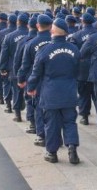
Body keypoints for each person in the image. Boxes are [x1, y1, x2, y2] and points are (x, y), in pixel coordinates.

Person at [27, 18, 81, 164]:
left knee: (52, 124)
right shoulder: (74, 49)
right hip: (69, 91)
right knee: (70, 122)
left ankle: (52, 152)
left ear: (53, 30)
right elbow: (78, 70)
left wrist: (31, 87)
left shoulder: (44, 50)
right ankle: (72, 149)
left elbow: (36, 72)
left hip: (50, 93)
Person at [18, 14, 53, 140]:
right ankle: (55, 137)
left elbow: (25, 65)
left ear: (38, 26)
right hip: (53, 80)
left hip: (36, 80)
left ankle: (41, 135)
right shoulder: (55, 41)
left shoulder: (30, 43)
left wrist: (21, 79)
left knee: (39, 108)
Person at [68, 13, 97, 125]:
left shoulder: (76, 35)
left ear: (83, 22)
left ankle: (84, 116)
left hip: (83, 69)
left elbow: (75, 53)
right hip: (96, 67)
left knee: (84, 94)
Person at [0, 13, 29, 114]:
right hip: (29, 68)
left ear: (18, 22)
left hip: (14, 67)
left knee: (16, 90)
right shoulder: (31, 34)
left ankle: (17, 114)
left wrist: (2, 68)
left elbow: (4, 54)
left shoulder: (9, 36)